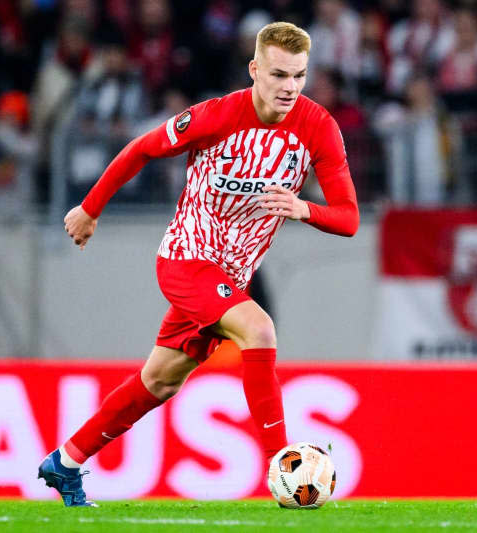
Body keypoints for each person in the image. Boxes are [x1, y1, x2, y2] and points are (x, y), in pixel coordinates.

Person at [37, 21, 359, 507]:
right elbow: (142, 148)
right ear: (254, 70)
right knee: (260, 330)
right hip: (187, 259)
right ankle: (282, 471)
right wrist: (90, 209)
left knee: (160, 381)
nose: (289, 87)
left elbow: (350, 217)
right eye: (278, 75)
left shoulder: (318, 128)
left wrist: (304, 210)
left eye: (299, 76)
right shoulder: (215, 116)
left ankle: (65, 462)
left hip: (230, 277)